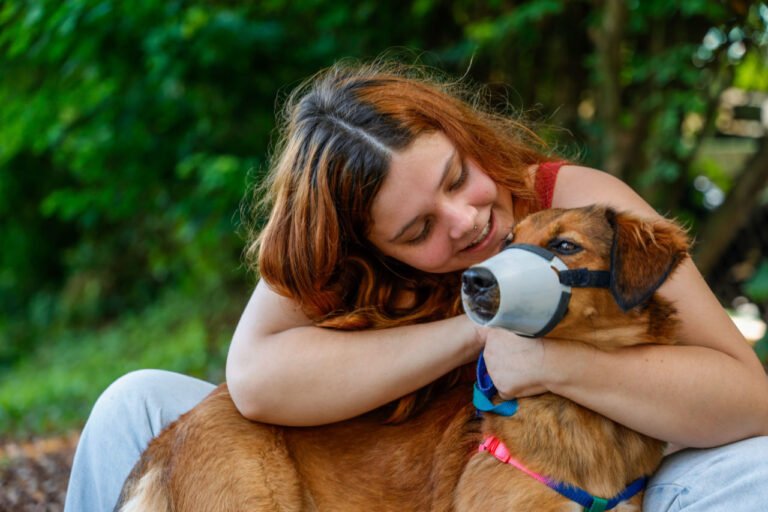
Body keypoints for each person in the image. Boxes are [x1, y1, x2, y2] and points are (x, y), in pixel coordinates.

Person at [65, 59, 768, 512]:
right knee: (133, 405)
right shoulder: (332, 249)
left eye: (458, 177)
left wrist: (552, 360)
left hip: (605, 472)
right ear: (363, 246)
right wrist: (476, 330)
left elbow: (748, 399)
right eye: (416, 231)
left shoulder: (574, 207)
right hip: (384, 482)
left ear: (464, 136)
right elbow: (253, 378)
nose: (467, 222)